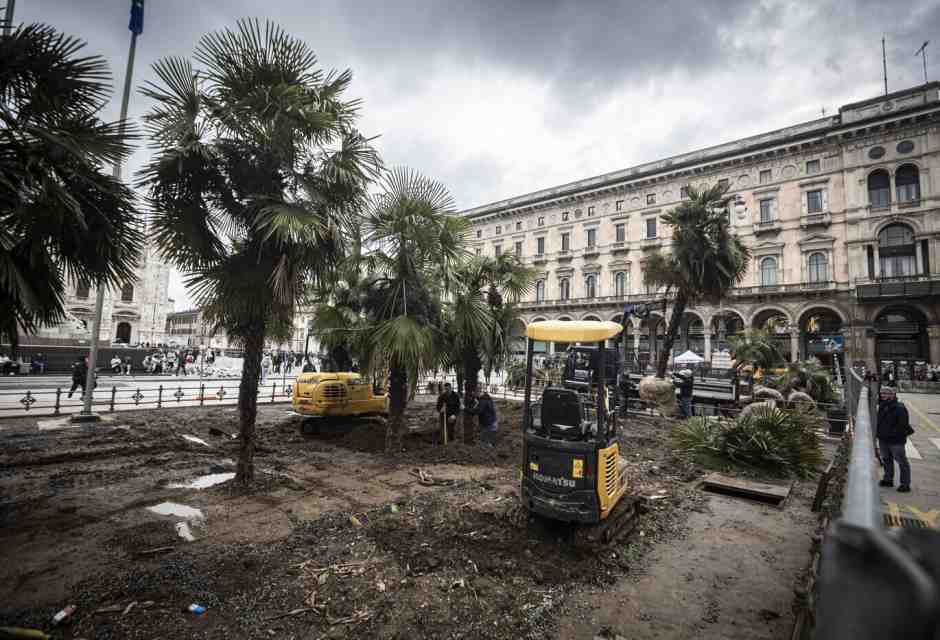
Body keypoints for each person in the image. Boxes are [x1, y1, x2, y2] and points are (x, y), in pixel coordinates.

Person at [876, 386, 914, 493]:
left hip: (895, 440)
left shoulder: (899, 408)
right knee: (886, 460)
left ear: (893, 395)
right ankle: (888, 479)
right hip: (883, 438)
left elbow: (903, 425)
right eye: (882, 393)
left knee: (902, 462)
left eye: (886, 393)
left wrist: (892, 435)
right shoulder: (883, 405)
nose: (883, 395)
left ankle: (905, 484)